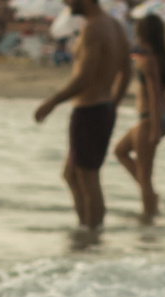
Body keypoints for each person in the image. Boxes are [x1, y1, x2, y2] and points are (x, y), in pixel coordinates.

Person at [33, 0, 132, 230]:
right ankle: (84, 231)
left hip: (90, 109)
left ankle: (92, 234)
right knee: (71, 174)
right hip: (101, 107)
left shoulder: (94, 28)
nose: (65, 3)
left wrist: (51, 102)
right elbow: (126, 70)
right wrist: (112, 103)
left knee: (88, 178)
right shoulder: (114, 25)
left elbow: (84, 78)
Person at [115, 13, 165, 221]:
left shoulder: (147, 60)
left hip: (149, 119)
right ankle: (151, 202)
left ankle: (149, 220)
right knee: (120, 151)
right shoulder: (164, 61)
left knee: (145, 177)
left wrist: (155, 126)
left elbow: (153, 94)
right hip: (159, 118)